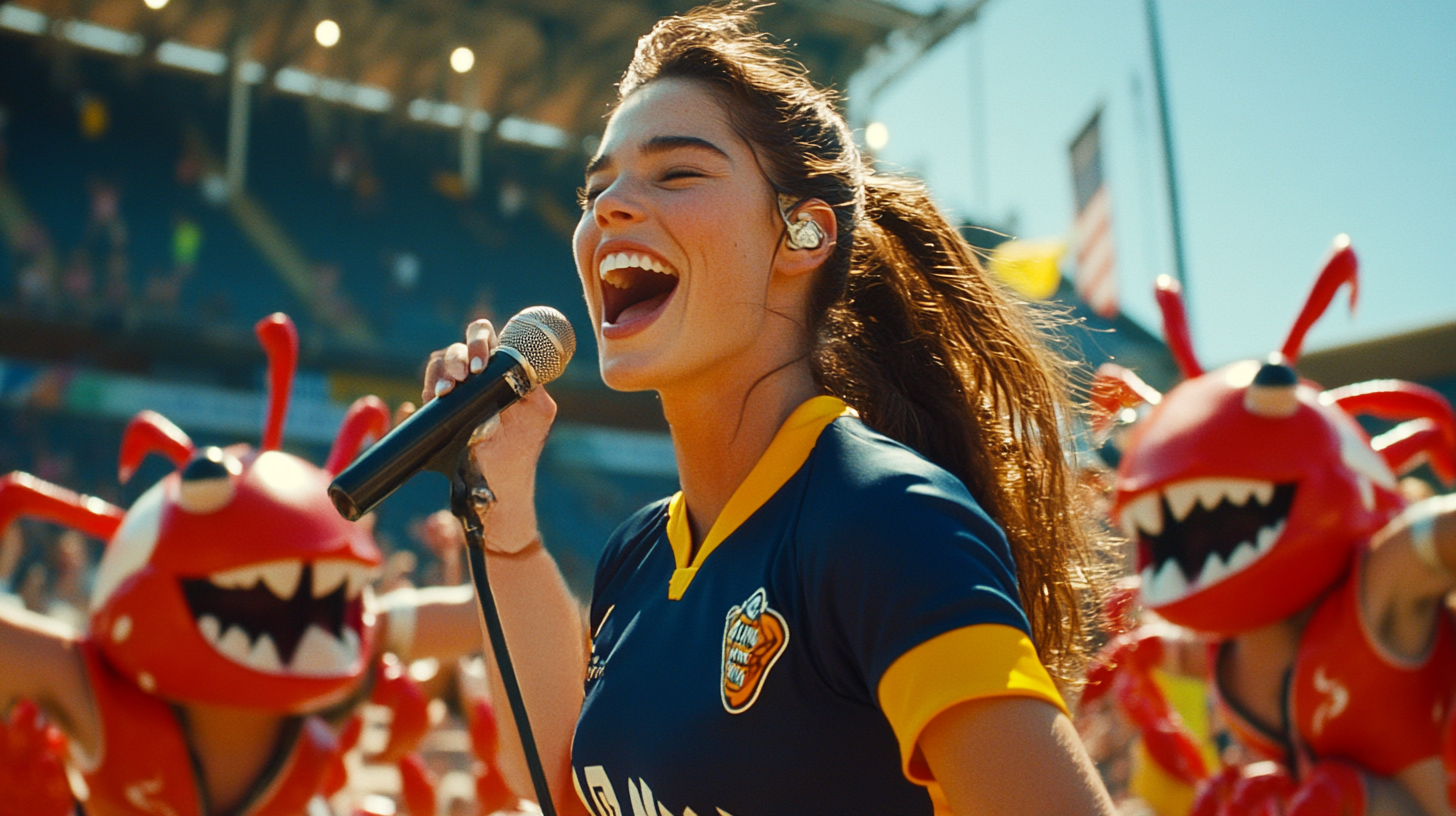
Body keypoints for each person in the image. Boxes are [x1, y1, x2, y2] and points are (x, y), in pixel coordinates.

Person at [424, 6, 1115, 815]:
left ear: (803, 234)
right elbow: (575, 793)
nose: (609, 205)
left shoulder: (883, 517)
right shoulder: (635, 557)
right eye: (595, 186)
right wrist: (502, 514)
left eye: (676, 172)